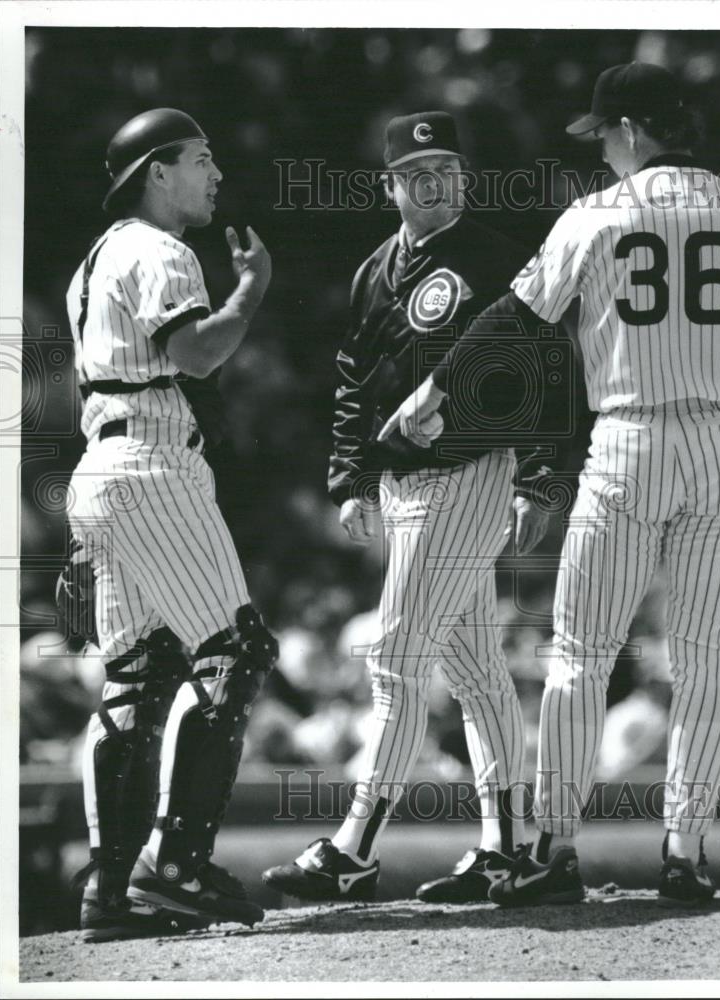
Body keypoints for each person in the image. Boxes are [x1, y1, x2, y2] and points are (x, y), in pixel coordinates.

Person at [381, 63, 720, 907]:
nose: (604, 152)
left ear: (628, 130)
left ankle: (553, 847)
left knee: (580, 655)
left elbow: (515, 319)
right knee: (702, 658)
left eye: (605, 137)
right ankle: (686, 852)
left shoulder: (595, 214)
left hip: (628, 438)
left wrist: (434, 389)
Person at [262, 111, 550, 904]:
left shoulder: (493, 257)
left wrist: (538, 475)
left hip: (467, 472)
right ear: (390, 185)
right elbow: (355, 381)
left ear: (464, 176)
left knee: (393, 656)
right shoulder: (374, 270)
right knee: (473, 668)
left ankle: (353, 846)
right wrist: (349, 478)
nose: (435, 182)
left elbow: (544, 370)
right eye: (417, 172)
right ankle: (509, 849)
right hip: (401, 485)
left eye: (447, 169)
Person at [64, 108, 278, 941]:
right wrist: (252, 291)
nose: (215, 172)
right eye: (200, 157)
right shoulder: (160, 249)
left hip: (102, 469)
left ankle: (109, 889)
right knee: (236, 652)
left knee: (140, 673)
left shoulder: (97, 258)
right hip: (152, 463)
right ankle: (177, 866)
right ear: (158, 171)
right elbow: (194, 355)